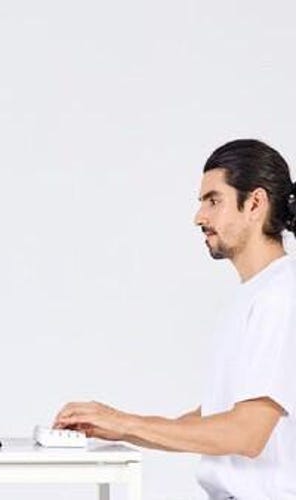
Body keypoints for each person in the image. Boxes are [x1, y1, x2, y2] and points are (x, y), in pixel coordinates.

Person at [54, 139, 296, 498]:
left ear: (255, 204)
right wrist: (118, 427)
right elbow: (216, 416)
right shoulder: (255, 295)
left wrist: (125, 422)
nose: (199, 217)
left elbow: (247, 432)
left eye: (213, 200)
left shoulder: (281, 295)